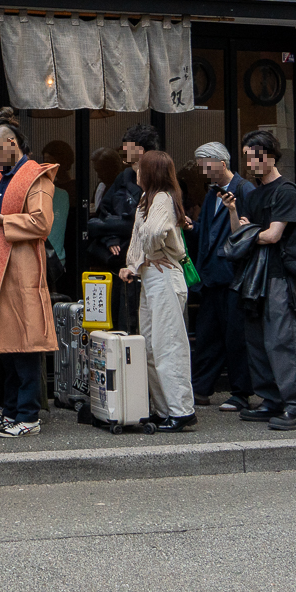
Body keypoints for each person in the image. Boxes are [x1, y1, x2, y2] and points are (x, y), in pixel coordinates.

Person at [0, 111, 58, 438]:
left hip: (22, 272)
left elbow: (42, 223)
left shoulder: (37, 176)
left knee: (24, 346)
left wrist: (1, 221)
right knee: (7, 348)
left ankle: (27, 416)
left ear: (11, 143)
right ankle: (10, 412)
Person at [232, 129, 296, 431]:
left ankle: (295, 406)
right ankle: (270, 399)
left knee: (282, 340)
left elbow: (273, 235)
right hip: (255, 275)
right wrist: (245, 226)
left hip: (280, 274)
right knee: (256, 340)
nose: (249, 162)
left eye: (254, 156)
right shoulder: (253, 194)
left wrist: (251, 232)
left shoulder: (286, 191)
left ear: (270, 155)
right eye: (246, 157)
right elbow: (241, 234)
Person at [122, 149, 195, 430]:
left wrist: (149, 255)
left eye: (141, 168)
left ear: (150, 172)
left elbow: (152, 233)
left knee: (168, 345)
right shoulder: (148, 198)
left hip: (164, 276)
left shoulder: (162, 197)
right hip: (153, 276)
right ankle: (165, 410)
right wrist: (137, 264)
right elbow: (141, 237)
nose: (136, 172)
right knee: (152, 346)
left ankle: (181, 410)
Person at [189, 142, 254, 412]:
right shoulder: (211, 194)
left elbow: (247, 233)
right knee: (208, 335)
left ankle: (241, 393)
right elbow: (206, 232)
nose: (203, 171)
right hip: (211, 276)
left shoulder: (244, 190)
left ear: (222, 164)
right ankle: (201, 389)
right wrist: (191, 226)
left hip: (232, 275)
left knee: (235, 336)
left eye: (206, 166)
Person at [87, 126, 158, 267]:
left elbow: (146, 225)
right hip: (118, 253)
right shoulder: (124, 176)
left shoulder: (159, 180)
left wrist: (110, 226)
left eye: (128, 148)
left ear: (141, 150)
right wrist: (110, 238)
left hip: (146, 255)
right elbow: (103, 213)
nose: (124, 153)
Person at [41, 140, 76, 279]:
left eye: (50, 162)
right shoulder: (43, 190)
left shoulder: (69, 190)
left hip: (69, 242)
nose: (46, 167)